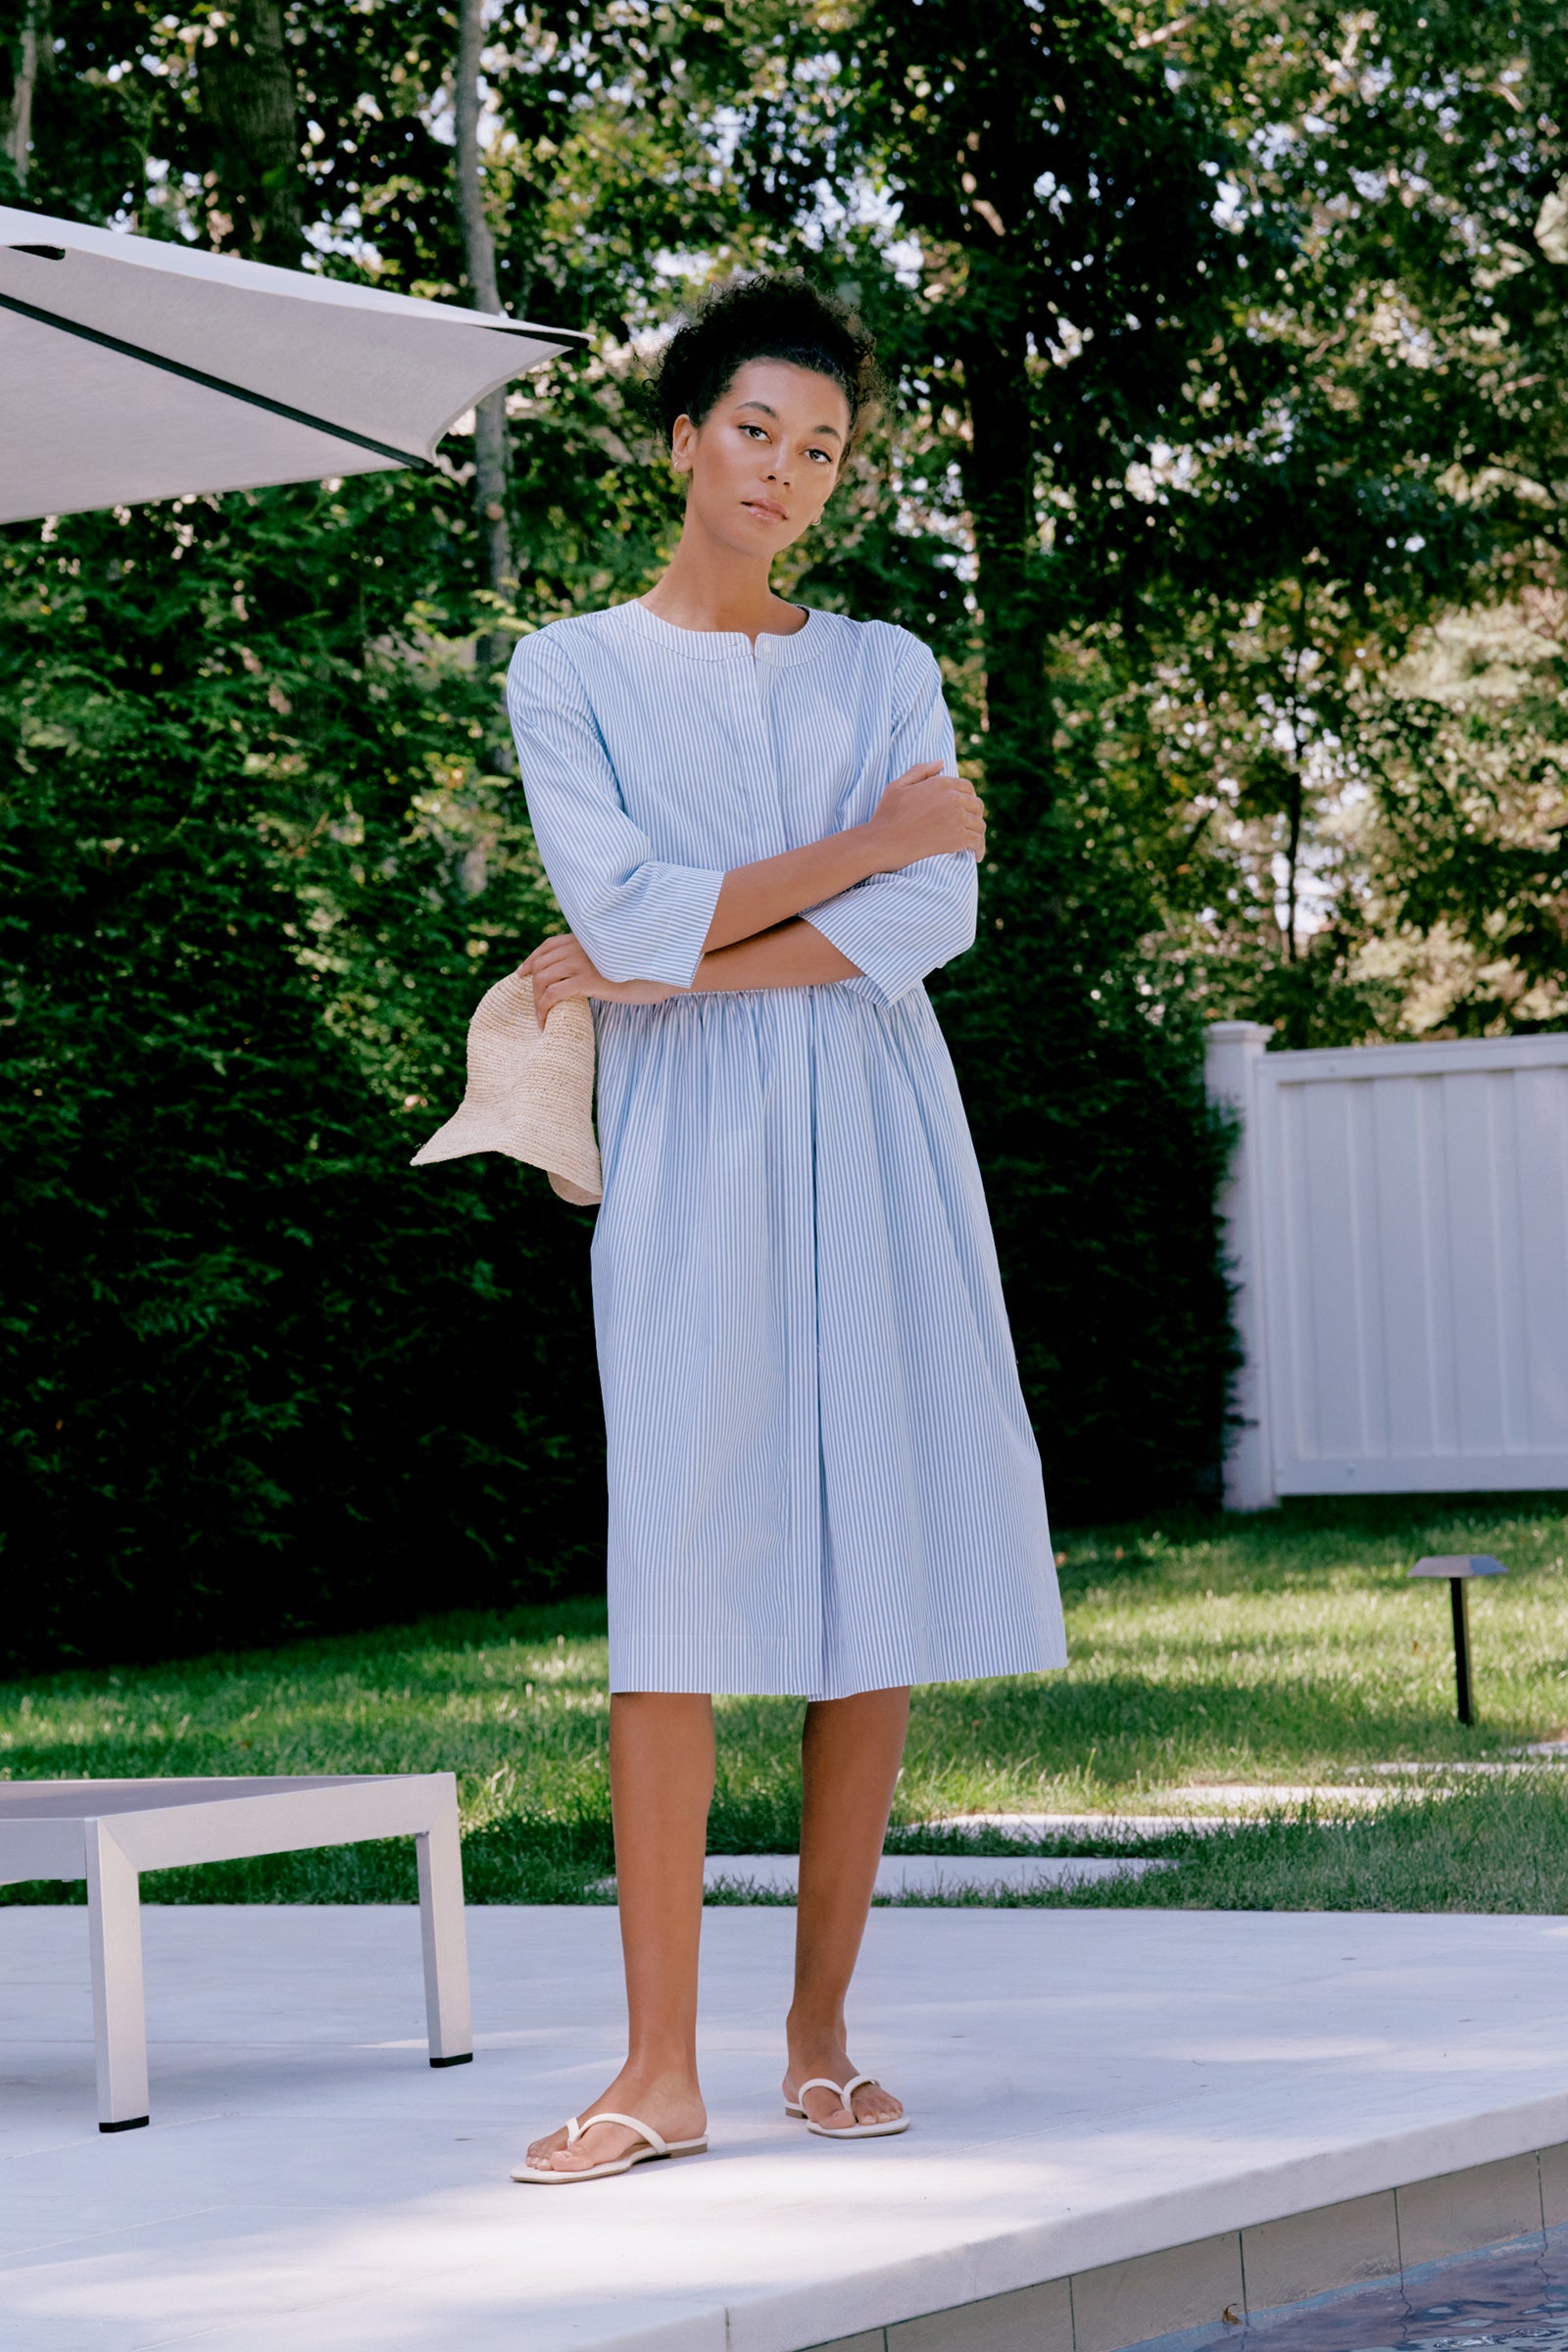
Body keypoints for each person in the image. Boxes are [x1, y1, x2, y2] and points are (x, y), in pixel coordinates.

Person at [504, 273, 1065, 2185]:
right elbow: (623, 906)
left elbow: (925, 932)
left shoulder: (882, 667)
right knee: (672, 1567)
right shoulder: (563, 668)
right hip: (687, 1156)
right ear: (680, 438)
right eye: (755, 430)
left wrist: (694, 956)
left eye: (821, 447)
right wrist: (880, 840)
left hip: (881, 1135)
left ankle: (819, 2031)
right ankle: (656, 2068)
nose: (787, 471)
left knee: (864, 1562)